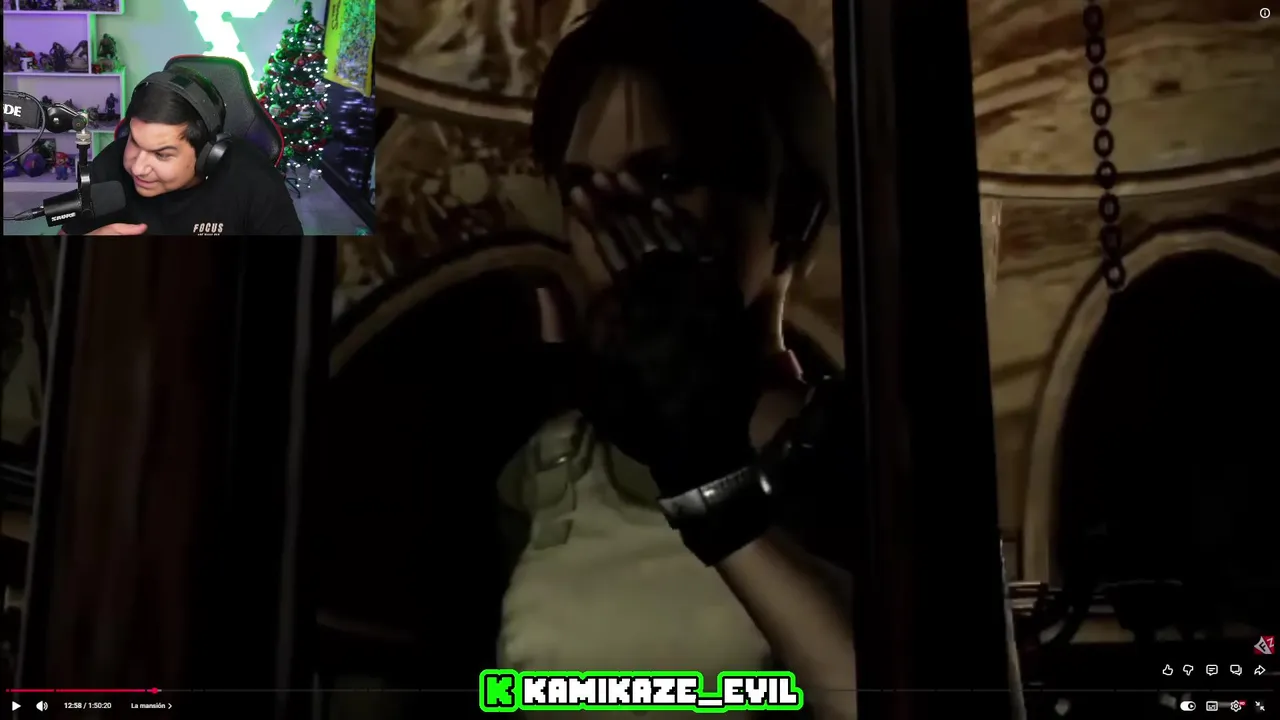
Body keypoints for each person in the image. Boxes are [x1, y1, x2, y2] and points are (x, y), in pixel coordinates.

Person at [494, 1, 857, 717]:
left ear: (792, 213)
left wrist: (713, 486)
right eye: (582, 188)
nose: (611, 222)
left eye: (664, 180)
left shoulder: (866, 457)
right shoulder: (538, 465)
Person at [61, 67, 302, 236]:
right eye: (134, 141)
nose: (138, 167)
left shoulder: (254, 179)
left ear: (208, 154)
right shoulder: (109, 164)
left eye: (161, 154)